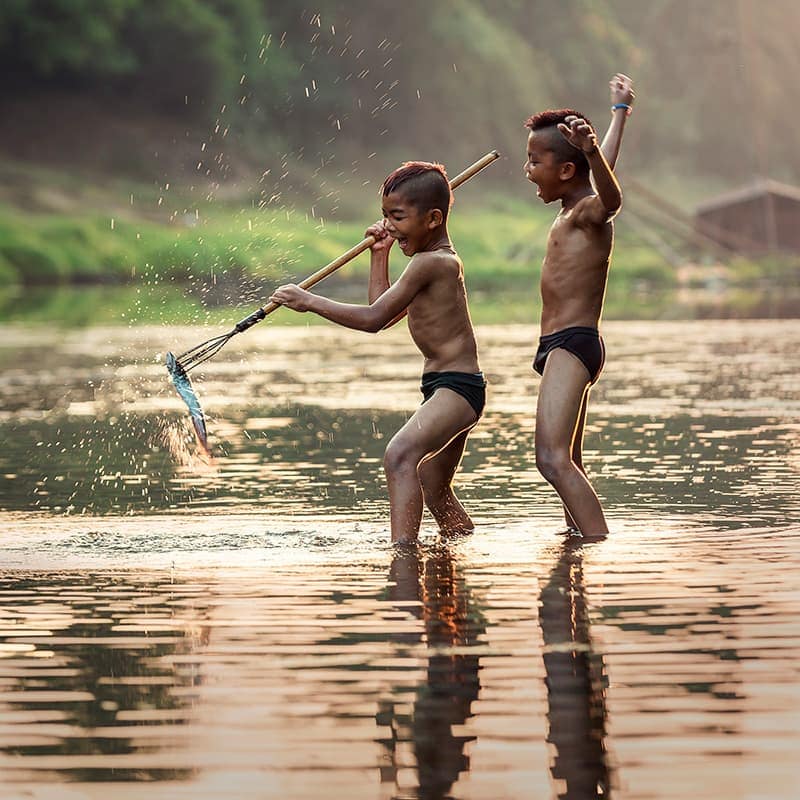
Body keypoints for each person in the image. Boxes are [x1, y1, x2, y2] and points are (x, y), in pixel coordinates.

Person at [270, 162, 485, 544]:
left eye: (397, 217)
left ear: (433, 218)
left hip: (457, 387)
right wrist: (380, 254)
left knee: (399, 456)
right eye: (385, 216)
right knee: (431, 484)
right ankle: (460, 549)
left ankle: (403, 556)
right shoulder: (429, 262)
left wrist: (308, 301)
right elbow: (386, 313)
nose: (387, 226)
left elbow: (372, 318)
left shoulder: (432, 263)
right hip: (445, 386)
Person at [524, 74, 634, 535]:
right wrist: (619, 113)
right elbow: (599, 168)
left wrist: (589, 149)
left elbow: (611, 195)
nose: (528, 169)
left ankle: (596, 545)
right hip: (560, 345)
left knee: (551, 458)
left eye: (535, 161)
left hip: (573, 343)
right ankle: (576, 554)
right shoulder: (572, 207)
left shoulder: (589, 212)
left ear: (565, 170)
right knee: (570, 461)